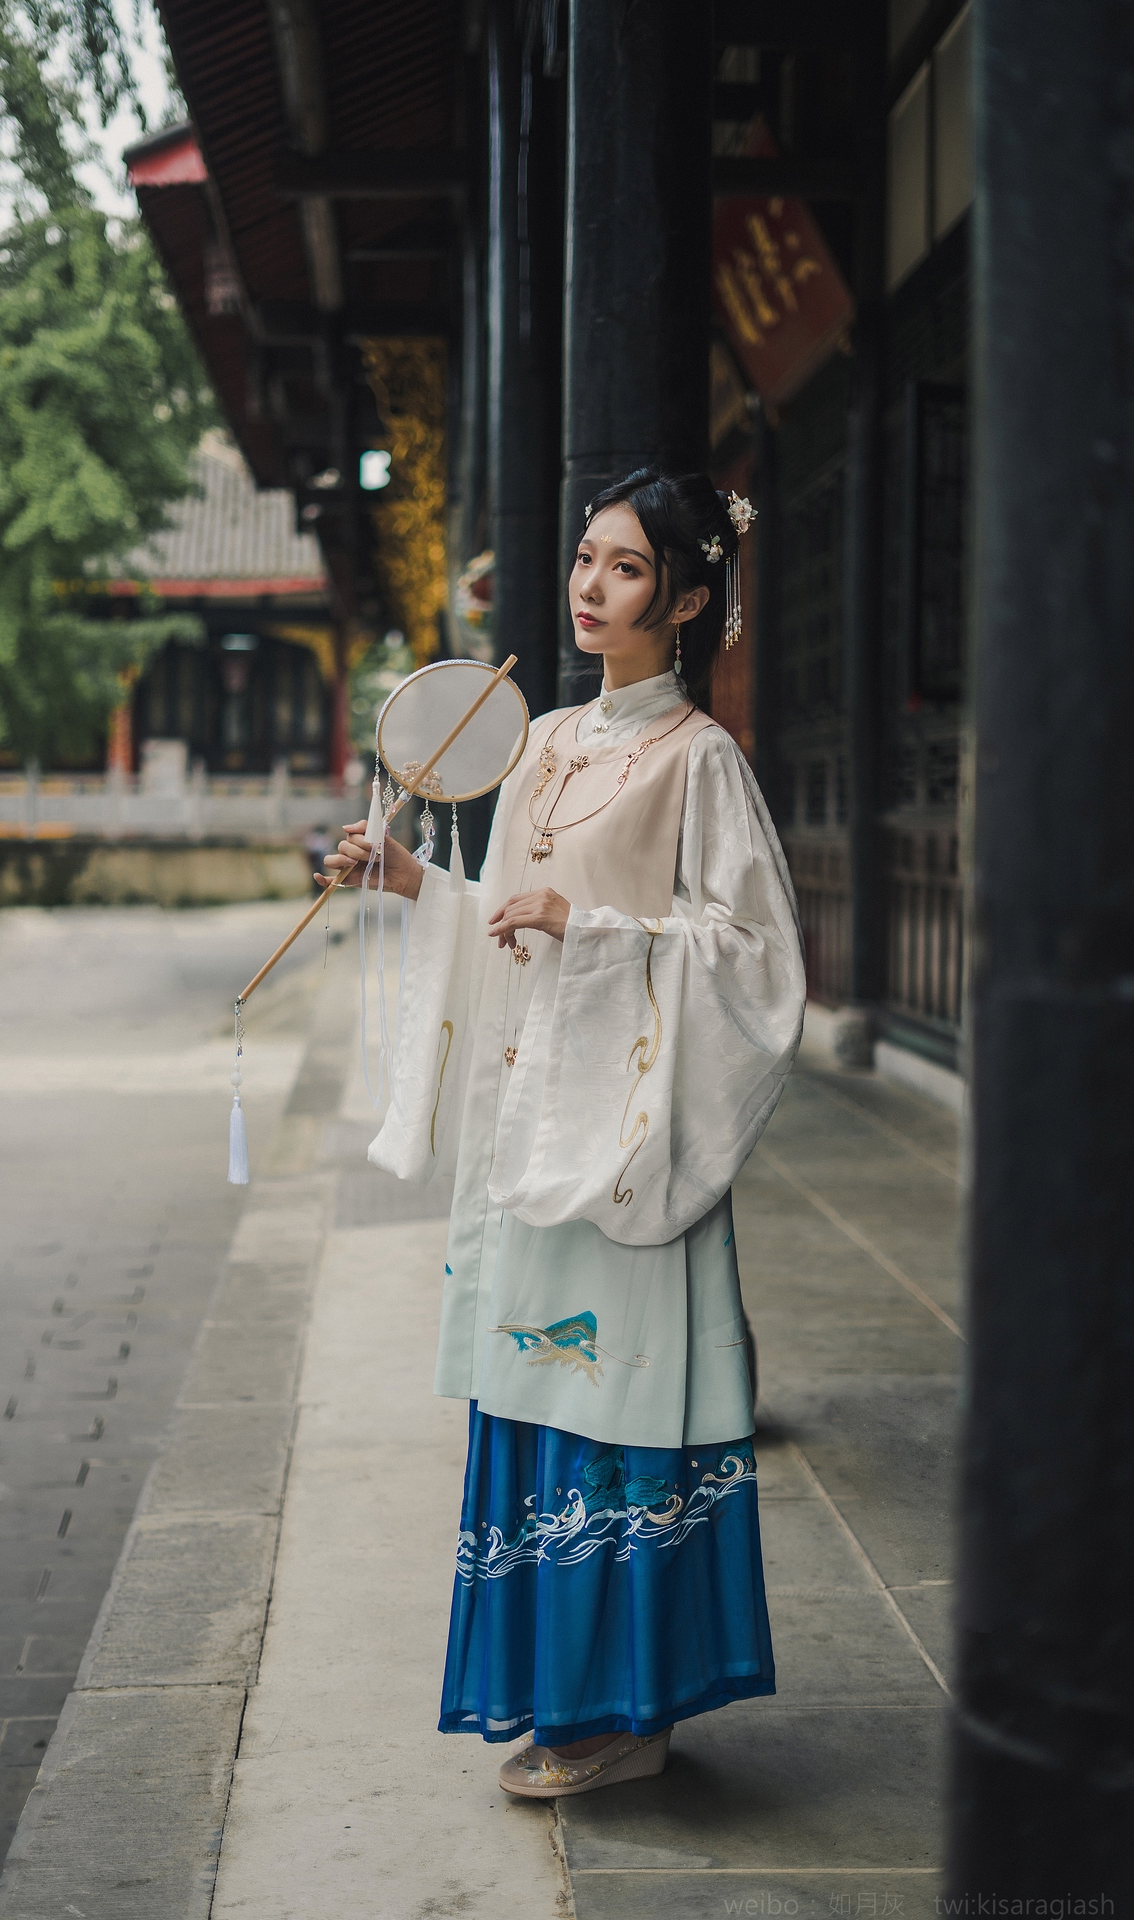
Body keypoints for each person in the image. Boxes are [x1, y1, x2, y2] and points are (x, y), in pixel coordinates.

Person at [319, 469, 805, 1798]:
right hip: (533, 1122)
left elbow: (756, 965)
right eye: (587, 558)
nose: (592, 588)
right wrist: (410, 878)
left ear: (692, 599)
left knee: (622, 1415)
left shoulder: (702, 762)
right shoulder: (537, 744)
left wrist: (592, 931)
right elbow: (502, 919)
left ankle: (630, 1707)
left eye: (630, 569)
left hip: (629, 1141)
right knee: (537, 1401)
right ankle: (564, 1688)